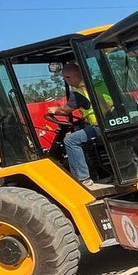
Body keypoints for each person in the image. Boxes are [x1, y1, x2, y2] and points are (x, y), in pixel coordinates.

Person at [47, 62, 113, 191]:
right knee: (83, 139)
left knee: (70, 140)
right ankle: (102, 173)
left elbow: (65, 110)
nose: (66, 81)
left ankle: (82, 179)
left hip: (100, 126)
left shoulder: (80, 92)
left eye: (66, 77)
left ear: (71, 77)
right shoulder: (100, 84)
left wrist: (55, 110)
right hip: (113, 122)